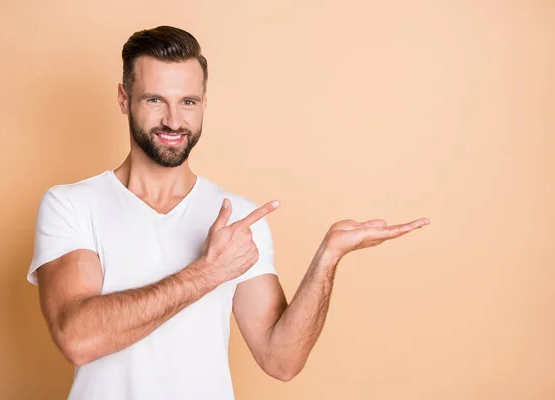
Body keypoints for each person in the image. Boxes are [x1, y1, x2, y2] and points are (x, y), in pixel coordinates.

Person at [27, 25, 430, 400]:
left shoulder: (239, 215)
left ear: (204, 103)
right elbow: (78, 339)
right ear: (123, 99)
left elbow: (281, 360)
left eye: (188, 102)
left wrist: (327, 258)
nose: (173, 120)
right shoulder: (72, 204)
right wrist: (208, 272)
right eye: (155, 100)